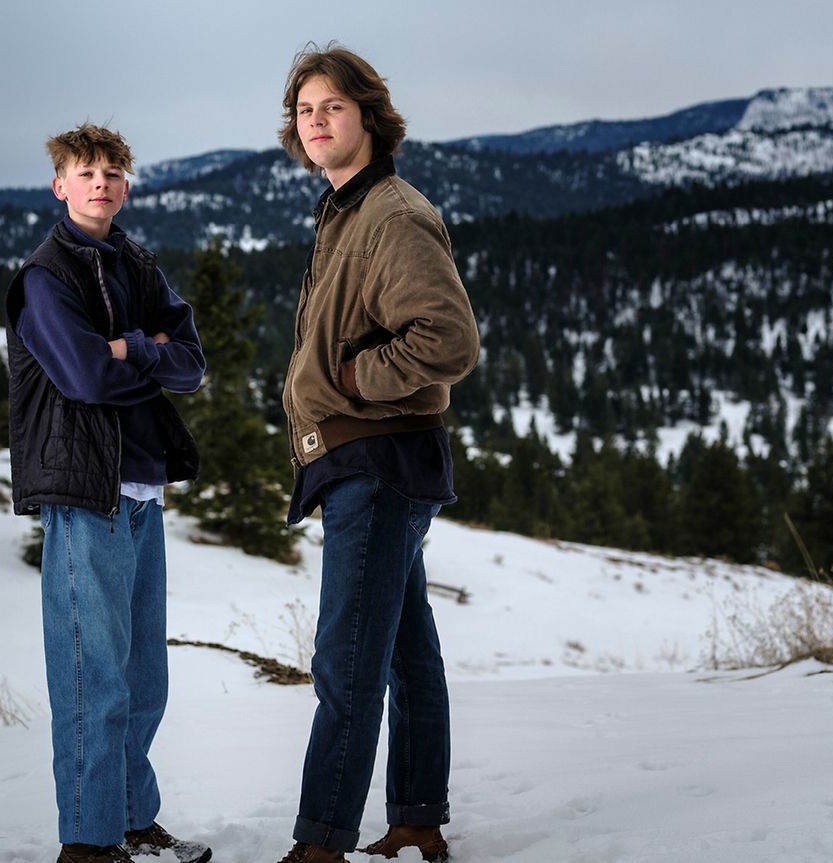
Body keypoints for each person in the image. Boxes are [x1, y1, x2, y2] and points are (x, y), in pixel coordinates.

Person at [274, 45, 481, 863]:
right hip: (377, 459)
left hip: (379, 460)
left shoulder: (390, 213)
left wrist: (359, 378)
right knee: (403, 648)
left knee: (348, 658)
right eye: (305, 111)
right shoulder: (346, 210)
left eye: (331, 106)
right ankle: (417, 817)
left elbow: (449, 338)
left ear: (368, 114)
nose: (317, 122)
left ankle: (320, 842)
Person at [4, 122, 212, 863]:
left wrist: (135, 347)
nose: (101, 183)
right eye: (85, 171)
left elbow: (191, 361)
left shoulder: (137, 264)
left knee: (141, 674)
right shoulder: (44, 276)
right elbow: (85, 375)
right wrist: (136, 350)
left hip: (144, 486)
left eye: (114, 172)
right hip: (84, 489)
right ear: (59, 183)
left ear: (127, 185)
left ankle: (131, 820)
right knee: (94, 672)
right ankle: (89, 843)